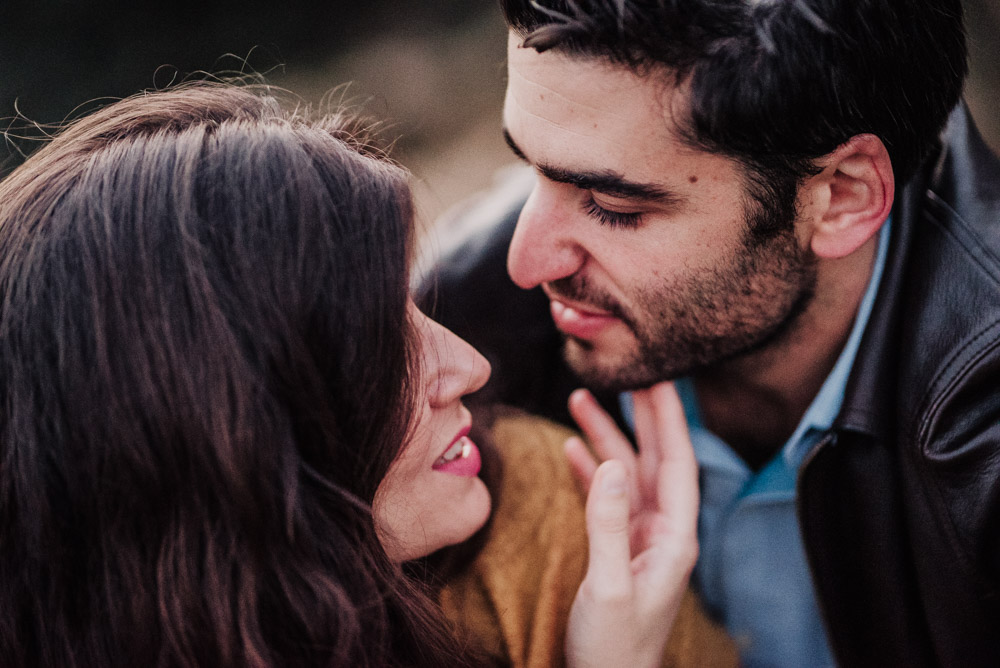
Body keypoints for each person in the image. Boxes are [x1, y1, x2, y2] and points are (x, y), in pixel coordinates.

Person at [0, 83, 735, 667]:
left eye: (410, 310)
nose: (471, 369)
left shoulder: (547, 532)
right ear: (210, 437)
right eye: (380, 345)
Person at [417, 1, 1000, 666]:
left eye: (614, 208)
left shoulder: (985, 438)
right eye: (532, 171)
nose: (526, 263)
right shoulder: (452, 326)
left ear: (841, 196)